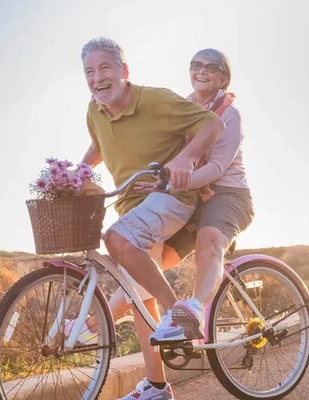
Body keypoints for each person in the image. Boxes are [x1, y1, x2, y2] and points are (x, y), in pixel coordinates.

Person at [79, 38, 224, 400]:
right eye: (89, 71)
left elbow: (211, 125)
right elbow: (99, 146)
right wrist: (76, 174)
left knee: (116, 239)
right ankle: (158, 386)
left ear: (124, 71)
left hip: (171, 198)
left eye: (105, 68)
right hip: (133, 207)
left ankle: (178, 314)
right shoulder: (94, 111)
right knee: (140, 298)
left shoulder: (155, 100)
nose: (97, 78)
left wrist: (187, 158)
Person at [110, 48, 254, 400]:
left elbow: (215, 169)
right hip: (188, 199)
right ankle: (94, 327)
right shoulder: (184, 106)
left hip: (227, 196)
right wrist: (152, 180)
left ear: (223, 78)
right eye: (195, 66)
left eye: (211, 68)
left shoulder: (229, 115)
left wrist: (175, 183)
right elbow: (169, 157)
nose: (202, 71)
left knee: (208, 242)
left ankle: (192, 309)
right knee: (144, 269)